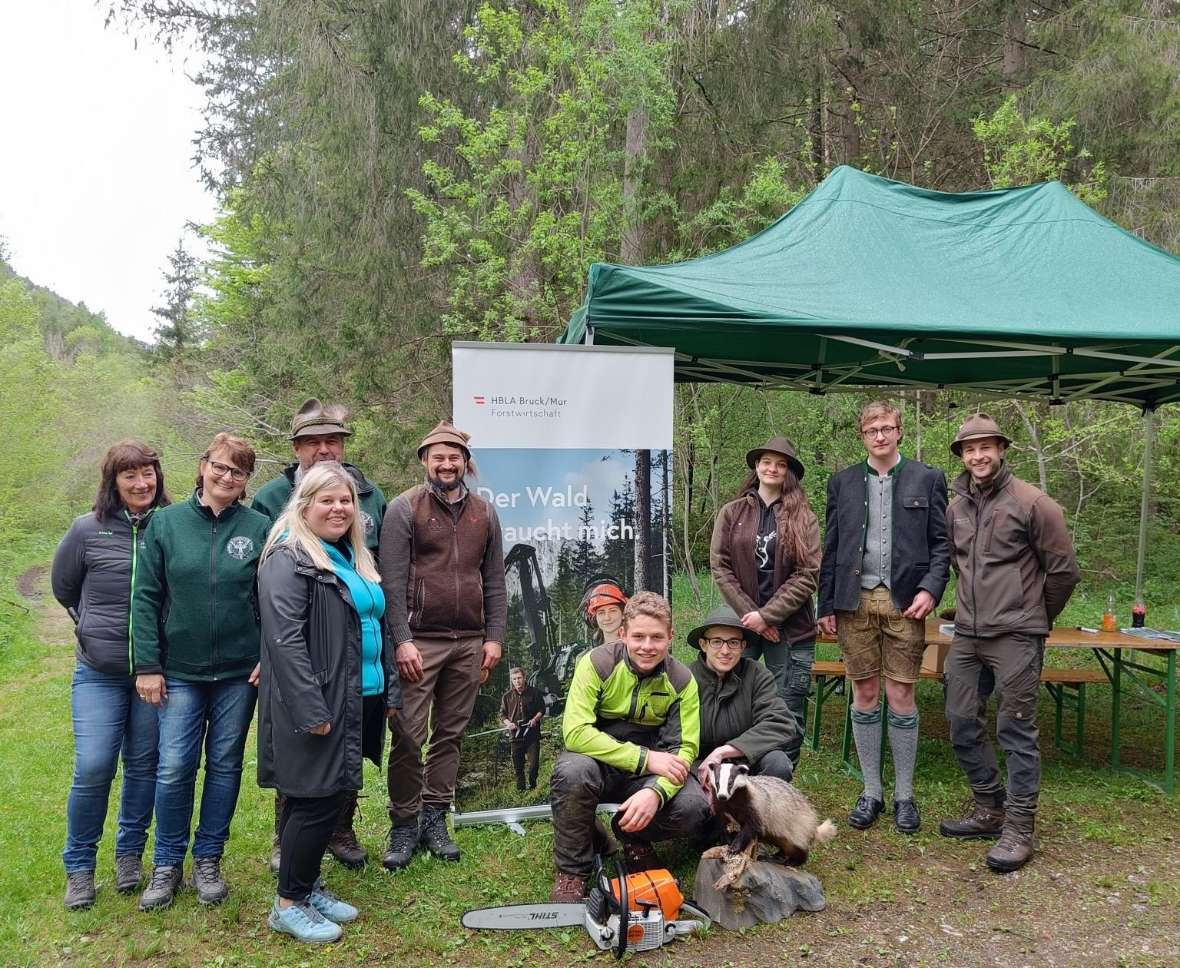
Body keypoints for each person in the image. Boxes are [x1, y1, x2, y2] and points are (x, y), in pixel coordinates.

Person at [257, 463, 401, 943]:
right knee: (313, 800)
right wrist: (311, 708)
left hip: (357, 695)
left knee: (333, 795)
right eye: (327, 500)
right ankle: (287, 905)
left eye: (346, 501)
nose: (339, 509)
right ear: (304, 505)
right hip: (319, 699)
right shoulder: (288, 557)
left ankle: (306, 885)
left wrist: (389, 689)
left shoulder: (344, 554)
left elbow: (374, 626)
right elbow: (284, 640)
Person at [132, 433, 270, 911]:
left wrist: (266, 654)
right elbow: (145, 597)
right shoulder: (165, 524)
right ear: (203, 466)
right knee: (173, 768)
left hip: (239, 673)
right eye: (220, 466)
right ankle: (167, 864)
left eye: (237, 471)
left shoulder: (258, 526)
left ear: (246, 480)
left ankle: (208, 858)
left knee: (226, 764)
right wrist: (147, 665)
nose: (226, 477)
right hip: (179, 671)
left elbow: (271, 598)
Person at [938, 413, 1079, 872]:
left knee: (1015, 728)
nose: (978, 456)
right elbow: (964, 567)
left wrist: (1033, 617)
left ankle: (1019, 826)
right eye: (969, 449)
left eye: (986, 447)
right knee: (960, 719)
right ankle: (988, 806)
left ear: (1001, 449)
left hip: (1016, 635)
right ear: (961, 455)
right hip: (967, 634)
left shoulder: (1034, 503)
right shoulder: (956, 507)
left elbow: (1063, 572)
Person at [252, 399, 388, 870]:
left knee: (346, 760)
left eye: (334, 441)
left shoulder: (370, 498)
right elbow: (272, 600)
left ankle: (339, 830)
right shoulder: (273, 506)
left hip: (358, 670)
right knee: (307, 772)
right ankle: (289, 852)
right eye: (314, 442)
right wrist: (266, 650)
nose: (325, 449)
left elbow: (377, 578)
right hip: (313, 667)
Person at [378, 420, 507, 869]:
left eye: (454, 457)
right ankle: (403, 823)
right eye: (438, 457)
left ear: (465, 463)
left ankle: (435, 816)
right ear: (424, 462)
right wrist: (402, 640)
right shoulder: (403, 509)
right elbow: (391, 582)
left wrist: (494, 638)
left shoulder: (484, 513)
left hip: (469, 643)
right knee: (410, 736)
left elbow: (493, 580)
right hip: (420, 643)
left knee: (450, 735)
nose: (447, 464)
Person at [817, 401, 950, 835]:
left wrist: (931, 588)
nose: (879, 435)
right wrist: (825, 605)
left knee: (902, 695)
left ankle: (905, 795)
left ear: (899, 432)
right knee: (865, 691)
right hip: (854, 603)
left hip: (905, 602)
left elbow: (941, 544)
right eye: (871, 429)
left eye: (886, 428)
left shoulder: (927, 479)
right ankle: (872, 790)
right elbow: (832, 548)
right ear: (862, 435)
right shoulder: (842, 482)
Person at [52, 441, 171, 910]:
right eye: (131, 476)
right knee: (95, 765)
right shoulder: (87, 529)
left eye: (148, 474)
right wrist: (88, 627)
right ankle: (79, 866)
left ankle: (129, 855)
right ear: (113, 482)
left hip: (153, 675)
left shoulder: (169, 526)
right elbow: (64, 587)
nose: (142, 484)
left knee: (143, 766)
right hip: (98, 674)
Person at [549, 592, 708, 902]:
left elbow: (685, 749)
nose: (647, 646)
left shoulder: (682, 680)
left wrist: (655, 792)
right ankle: (572, 871)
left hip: (648, 774)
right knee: (571, 772)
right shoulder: (595, 664)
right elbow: (576, 733)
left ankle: (632, 835)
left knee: (694, 807)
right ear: (622, 635)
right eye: (638, 636)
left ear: (670, 637)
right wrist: (645, 759)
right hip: (599, 762)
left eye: (656, 637)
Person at [710, 435, 820, 770]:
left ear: (789, 472)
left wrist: (769, 617)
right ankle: (729, 782)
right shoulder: (732, 513)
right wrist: (752, 617)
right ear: (756, 467)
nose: (772, 468)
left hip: (792, 630)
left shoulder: (804, 517)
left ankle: (779, 787)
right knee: (728, 701)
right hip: (739, 627)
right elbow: (720, 565)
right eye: (766, 462)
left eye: (781, 463)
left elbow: (808, 573)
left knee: (786, 709)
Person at [688, 604, 797, 797]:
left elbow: (781, 722)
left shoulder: (756, 674)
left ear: (743, 646)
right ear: (703, 645)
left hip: (745, 762)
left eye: (733, 642)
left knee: (778, 764)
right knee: (693, 810)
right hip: (700, 764)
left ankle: (764, 815)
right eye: (716, 642)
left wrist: (725, 751)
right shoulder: (686, 678)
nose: (725, 650)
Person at [500, 667, 545, 791]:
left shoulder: (534, 693)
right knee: (518, 768)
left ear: (524, 678)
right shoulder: (507, 697)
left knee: (533, 765)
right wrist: (508, 723)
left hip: (532, 735)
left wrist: (535, 719)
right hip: (515, 736)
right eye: (514, 679)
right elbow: (502, 714)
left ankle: (533, 786)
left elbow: (542, 709)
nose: (517, 681)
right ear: (512, 680)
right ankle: (521, 791)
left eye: (519, 678)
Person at [583, 580, 628, 646]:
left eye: (613, 611)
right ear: (595, 617)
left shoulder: (635, 650)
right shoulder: (587, 655)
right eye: (601, 613)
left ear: (623, 614)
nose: (607, 618)